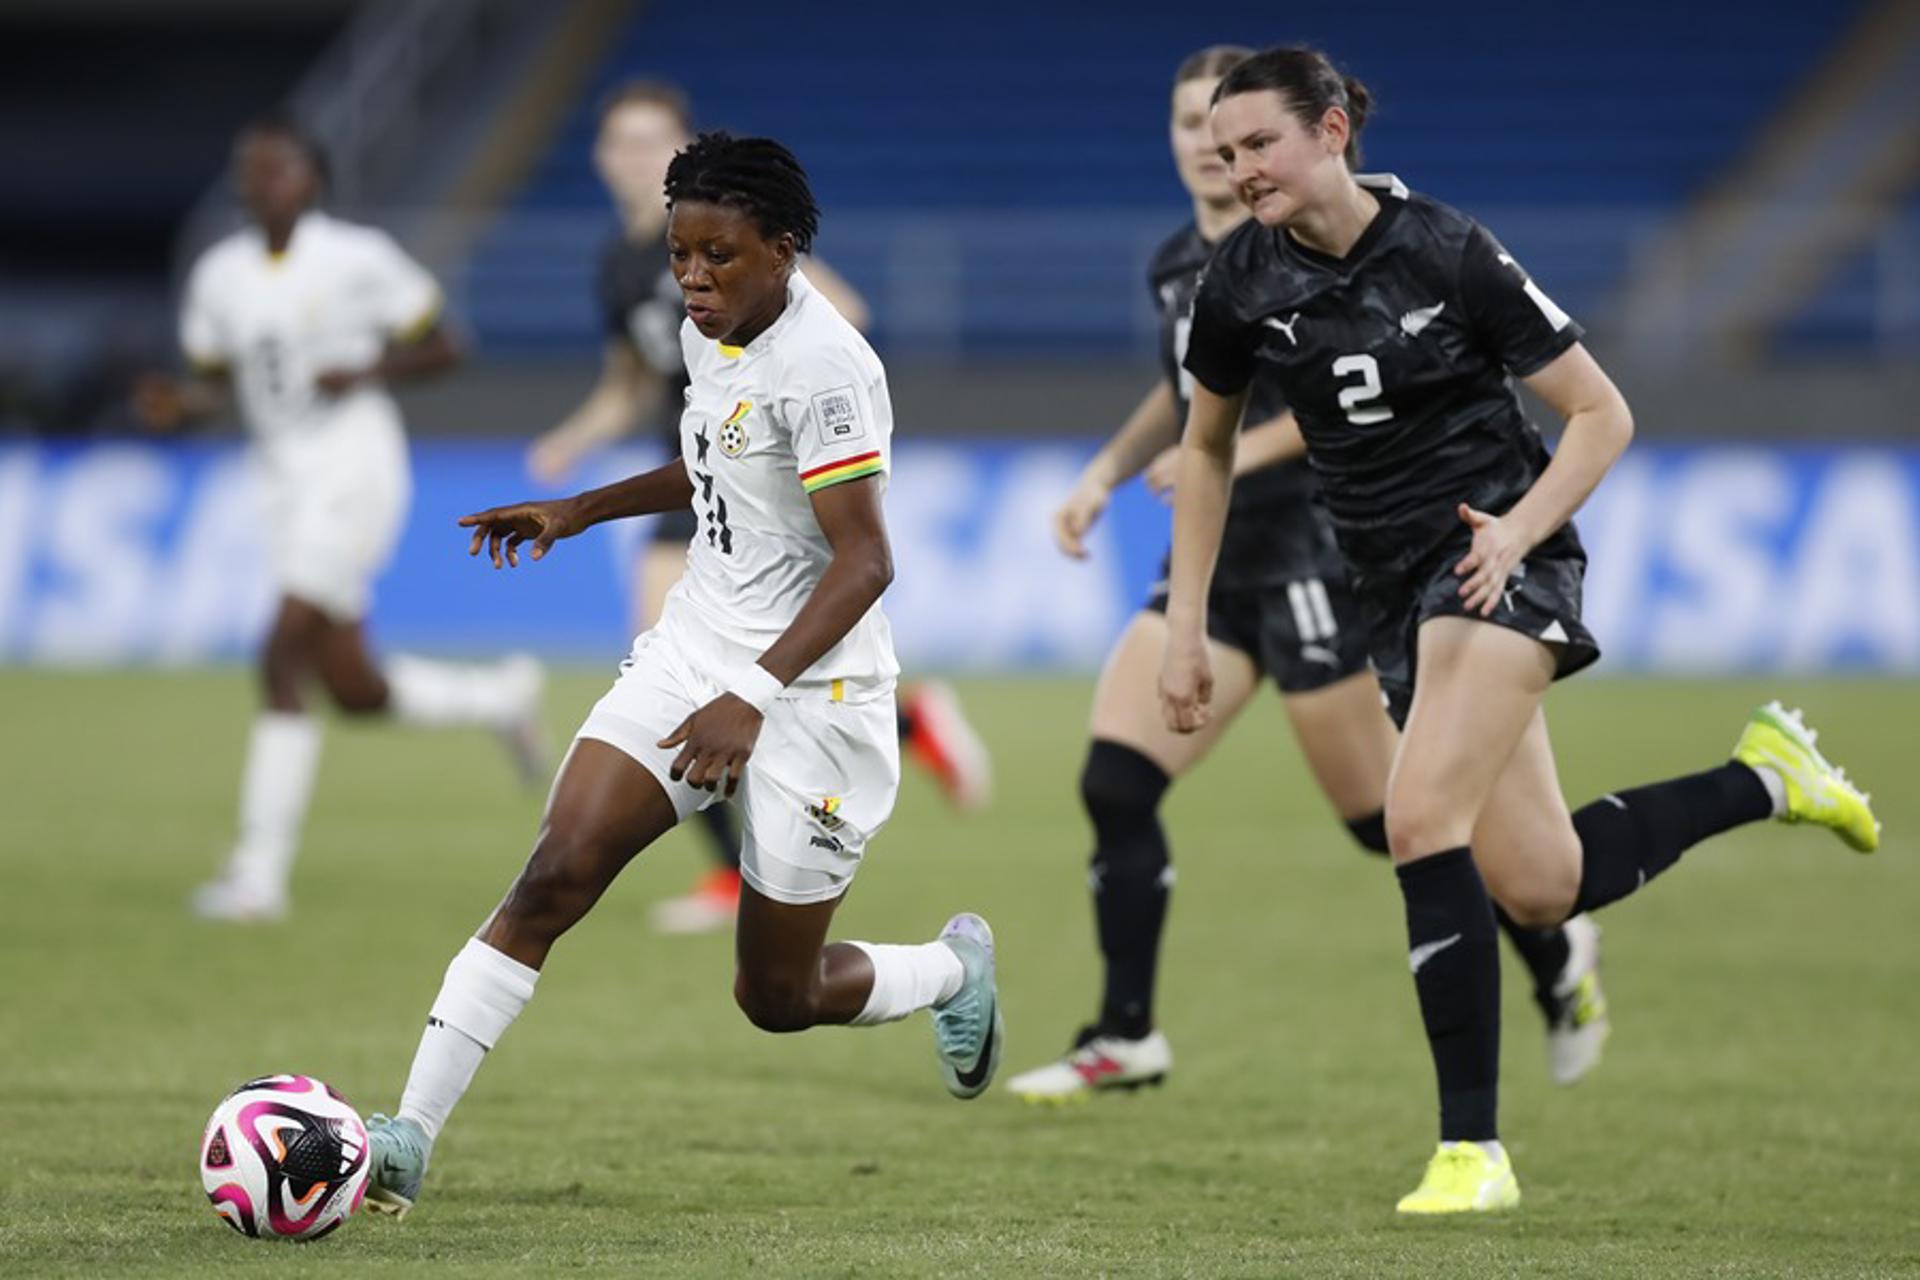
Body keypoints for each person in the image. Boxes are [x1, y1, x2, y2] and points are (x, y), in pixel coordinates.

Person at [1162, 46, 1880, 1214]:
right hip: (1390, 592)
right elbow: (1204, 447)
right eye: (1227, 149)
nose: (1238, 168)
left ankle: (1472, 1151)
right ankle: (1766, 777)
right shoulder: (1241, 284)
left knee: (1417, 814)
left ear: (1334, 129)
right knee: (1543, 884)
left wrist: (1517, 529)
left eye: (1260, 144)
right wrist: (1186, 621)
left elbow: (1603, 413)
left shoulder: (1446, 248)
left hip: (1504, 559)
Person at [360, 132, 1004, 1217]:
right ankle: (406, 1136)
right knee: (555, 872)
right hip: (696, 642)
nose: (694, 281)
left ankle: (952, 970)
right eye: (680, 255)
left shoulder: (830, 367)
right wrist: (582, 509)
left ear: (784, 248)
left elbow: (868, 560)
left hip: (817, 692)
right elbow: (715, 459)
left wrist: (752, 696)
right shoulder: (714, 332)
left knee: (776, 994)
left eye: (720, 257)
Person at [1007, 47, 1606, 1104]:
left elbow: (1284, 423)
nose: (1211, 148)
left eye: (1230, 129)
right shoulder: (1185, 270)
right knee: (1115, 778)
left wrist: (1233, 455)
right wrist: (1104, 472)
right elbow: (1190, 411)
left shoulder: (1332, 250)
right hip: (1218, 559)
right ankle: (1126, 1031)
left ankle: (1547, 942)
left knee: (1393, 822)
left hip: (1324, 555)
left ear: (1313, 133)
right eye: (1195, 126)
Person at [525, 81, 991, 934]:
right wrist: (572, 447)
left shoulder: (737, 237)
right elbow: (627, 386)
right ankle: (872, 749)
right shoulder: (623, 263)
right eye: (620, 143)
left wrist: (798, 393)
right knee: (673, 660)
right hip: (699, 465)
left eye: (651, 141)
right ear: (600, 158)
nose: (634, 158)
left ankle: (755, 856)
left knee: (697, 665)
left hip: (764, 469)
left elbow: (837, 315)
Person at [135, 114, 546, 924]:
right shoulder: (220, 274)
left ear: (311, 178)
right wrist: (178, 405)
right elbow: (218, 380)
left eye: (278, 169)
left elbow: (448, 344)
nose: (262, 184)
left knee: (281, 648)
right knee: (353, 687)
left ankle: (257, 874)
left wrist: (368, 368)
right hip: (280, 481)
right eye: (250, 171)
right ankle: (499, 697)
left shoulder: (358, 259)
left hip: (355, 469)